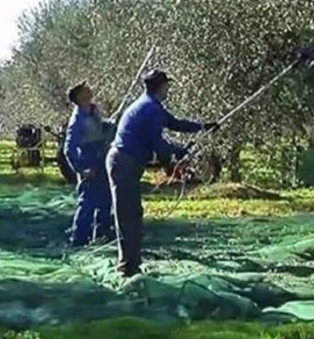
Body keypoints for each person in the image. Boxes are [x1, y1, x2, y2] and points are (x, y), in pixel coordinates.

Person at [105, 70, 218, 277]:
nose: (168, 89)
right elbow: (159, 146)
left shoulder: (151, 105)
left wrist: (202, 127)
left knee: (132, 213)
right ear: (160, 86)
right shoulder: (150, 110)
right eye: (167, 85)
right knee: (128, 215)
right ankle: (127, 268)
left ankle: (131, 263)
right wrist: (182, 151)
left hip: (125, 161)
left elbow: (175, 124)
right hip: (124, 162)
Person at [64, 81, 116, 247]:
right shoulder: (77, 120)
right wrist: (81, 170)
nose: (89, 89)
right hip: (89, 162)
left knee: (105, 201)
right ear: (79, 97)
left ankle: (102, 236)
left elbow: (102, 127)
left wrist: (112, 124)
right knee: (87, 203)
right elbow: (68, 149)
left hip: (102, 161)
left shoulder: (93, 111)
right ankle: (78, 241)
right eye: (85, 88)